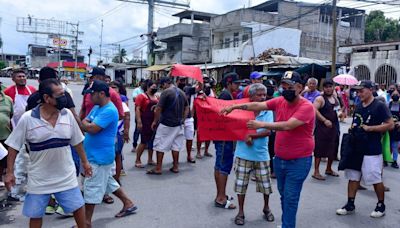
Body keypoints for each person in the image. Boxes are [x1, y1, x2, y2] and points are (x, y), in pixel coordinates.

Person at [221, 71, 315, 228]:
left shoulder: (306, 107)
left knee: (290, 198)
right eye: (283, 85)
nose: (285, 89)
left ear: (299, 87)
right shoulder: (280, 101)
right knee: (284, 195)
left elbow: (287, 125)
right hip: (280, 160)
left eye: (289, 86)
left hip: (298, 161)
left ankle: (287, 225)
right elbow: (257, 105)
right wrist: (234, 106)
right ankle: (286, 223)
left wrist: (261, 124)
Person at [4, 79, 92, 228]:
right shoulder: (28, 118)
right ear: (46, 98)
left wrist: (85, 162)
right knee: (36, 214)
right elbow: (13, 146)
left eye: (64, 94)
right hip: (40, 179)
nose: (64, 98)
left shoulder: (67, 116)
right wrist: (10, 172)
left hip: (66, 176)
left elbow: (77, 141)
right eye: (60, 95)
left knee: (77, 207)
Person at [26, 66, 80, 216]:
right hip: (42, 148)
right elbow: (28, 121)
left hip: (61, 143)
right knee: (47, 174)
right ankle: (51, 203)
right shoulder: (34, 102)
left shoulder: (63, 100)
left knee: (67, 172)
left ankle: (59, 203)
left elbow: (72, 115)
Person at [82, 80, 137, 226]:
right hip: (97, 155)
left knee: (91, 188)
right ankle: (128, 203)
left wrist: (87, 125)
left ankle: (86, 222)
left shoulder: (109, 110)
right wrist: (87, 125)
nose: (89, 97)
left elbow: (92, 128)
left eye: (92, 94)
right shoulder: (97, 107)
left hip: (99, 157)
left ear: (101, 94)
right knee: (108, 182)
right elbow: (85, 122)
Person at [336, 80, 394, 218]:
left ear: (370, 89)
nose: (359, 93)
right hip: (356, 146)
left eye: (362, 90)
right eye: (357, 91)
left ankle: (381, 205)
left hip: (371, 148)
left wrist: (371, 128)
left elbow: (390, 124)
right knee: (353, 177)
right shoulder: (358, 106)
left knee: (374, 178)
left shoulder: (379, 106)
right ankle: (350, 204)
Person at [232, 83, 274, 226]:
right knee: (241, 185)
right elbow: (232, 128)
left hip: (261, 155)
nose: (263, 97)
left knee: (266, 185)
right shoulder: (242, 110)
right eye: (259, 95)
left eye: (264, 95)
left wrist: (251, 136)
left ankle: (266, 208)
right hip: (243, 154)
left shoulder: (268, 111)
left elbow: (268, 131)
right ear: (251, 97)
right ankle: (241, 212)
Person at [4, 69, 37, 201]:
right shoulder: (9, 92)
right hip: (16, 131)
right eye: (19, 76)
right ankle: (15, 191)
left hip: (31, 130)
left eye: (24, 76)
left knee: (29, 162)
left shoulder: (32, 90)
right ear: (13, 79)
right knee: (18, 162)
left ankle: (28, 187)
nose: (22, 78)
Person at [146, 77, 189, 175]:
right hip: (178, 124)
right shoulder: (182, 92)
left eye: (162, 85)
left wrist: (155, 121)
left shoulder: (166, 93)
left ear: (165, 83)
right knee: (176, 146)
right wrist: (183, 119)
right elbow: (187, 107)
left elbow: (159, 109)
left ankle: (158, 168)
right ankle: (175, 166)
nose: (162, 87)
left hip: (166, 123)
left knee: (159, 145)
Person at [213, 72, 240, 210]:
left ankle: (220, 194)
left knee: (220, 165)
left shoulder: (226, 94)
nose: (238, 85)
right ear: (229, 83)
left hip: (222, 137)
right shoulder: (225, 95)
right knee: (223, 167)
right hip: (224, 137)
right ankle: (221, 198)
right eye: (236, 83)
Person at [312, 79, 340, 180]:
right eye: (326, 87)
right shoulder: (320, 98)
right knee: (319, 149)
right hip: (322, 128)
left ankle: (329, 168)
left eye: (330, 86)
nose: (328, 89)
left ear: (333, 87)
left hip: (333, 128)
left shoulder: (335, 98)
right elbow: (314, 110)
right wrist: (324, 120)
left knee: (332, 148)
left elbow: (338, 109)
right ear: (323, 88)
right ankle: (316, 171)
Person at [109, 81, 130, 183]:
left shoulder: (121, 103)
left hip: (118, 133)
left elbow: (127, 118)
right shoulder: (103, 103)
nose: (113, 90)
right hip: (106, 134)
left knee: (117, 155)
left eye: (115, 87)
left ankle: (116, 179)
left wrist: (126, 131)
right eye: (111, 87)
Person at [134, 80, 158, 168]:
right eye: (153, 87)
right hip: (144, 121)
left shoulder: (156, 97)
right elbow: (137, 109)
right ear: (148, 87)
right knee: (144, 141)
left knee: (152, 142)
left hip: (153, 122)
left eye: (156, 87)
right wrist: (139, 121)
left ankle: (150, 159)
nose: (155, 89)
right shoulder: (141, 96)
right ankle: (138, 159)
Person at [177, 77, 198, 163]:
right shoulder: (173, 89)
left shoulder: (188, 89)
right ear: (177, 80)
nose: (182, 82)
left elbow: (199, 88)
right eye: (181, 80)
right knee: (177, 140)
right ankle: (176, 159)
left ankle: (189, 155)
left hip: (188, 118)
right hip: (177, 118)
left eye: (184, 80)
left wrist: (199, 78)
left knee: (190, 138)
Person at [195, 76, 214, 159]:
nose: (205, 80)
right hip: (199, 114)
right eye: (203, 79)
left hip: (208, 114)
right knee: (199, 133)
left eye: (206, 79)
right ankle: (198, 151)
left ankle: (206, 150)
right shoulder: (195, 89)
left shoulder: (209, 90)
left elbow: (213, 99)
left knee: (209, 133)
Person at [0, 86, 12, 188]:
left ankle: (2, 177)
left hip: (5, 135)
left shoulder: (8, 100)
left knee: (4, 158)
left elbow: (11, 115)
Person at [131, 79, 146, 152]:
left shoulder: (147, 90)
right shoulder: (137, 90)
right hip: (138, 112)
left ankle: (144, 144)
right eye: (143, 83)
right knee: (137, 130)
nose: (144, 84)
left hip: (146, 113)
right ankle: (134, 145)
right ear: (140, 83)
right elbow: (134, 98)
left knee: (146, 130)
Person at [388, 89, 400, 169]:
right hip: (388, 127)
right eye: (394, 94)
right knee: (387, 144)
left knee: (395, 145)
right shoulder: (389, 104)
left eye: (397, 94)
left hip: (397, 129)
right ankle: (386, 159)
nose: (395, 96)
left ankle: (394, 161)